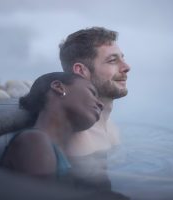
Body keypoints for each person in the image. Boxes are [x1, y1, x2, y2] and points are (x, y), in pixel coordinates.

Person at [59, 27, 130, 187]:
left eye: (122, 58)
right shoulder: (79, 139)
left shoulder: (111, 127)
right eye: (113, 60)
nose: (126, 67)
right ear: (80, 70)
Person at [0, 72, 104, 180]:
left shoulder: (56, 150)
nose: (101, 104)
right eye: (92, 92)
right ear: (59, 87)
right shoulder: (34, 141)